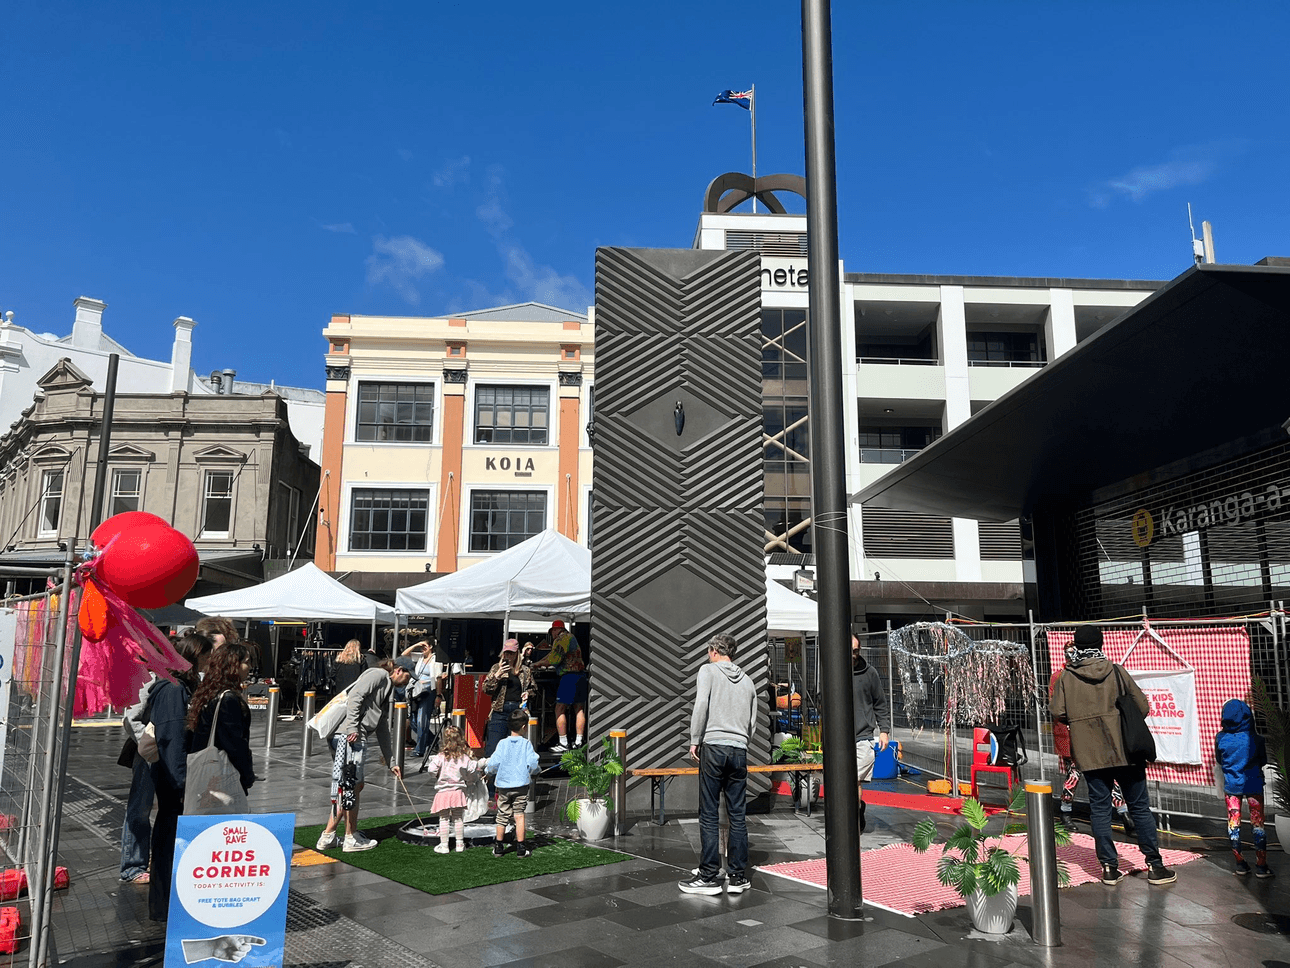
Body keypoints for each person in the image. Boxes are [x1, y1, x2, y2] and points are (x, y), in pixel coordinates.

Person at [1050, 625, 1176, 886]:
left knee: (1100, 808)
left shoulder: (1065, 678)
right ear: (1101, 643)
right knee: (1139, 806)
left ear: (1076, 645)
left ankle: (1108, 867)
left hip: (1090, 753)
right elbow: (1142, 706)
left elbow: (1058, 711)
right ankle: (1155, 865)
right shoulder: (1117, 671)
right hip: (1125, 750)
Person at [679, 633, 758, 896]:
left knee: (710, 812)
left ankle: (709, 876)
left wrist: (694, 739)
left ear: (714, 650)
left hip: (713, 746)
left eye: (707, 650)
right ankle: (737, 876)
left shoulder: (708, 671)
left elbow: (701, 705)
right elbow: (752, 722)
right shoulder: (747, 681)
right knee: (737, 814)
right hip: (739, 749)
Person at [149, 632, 215, 920]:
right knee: (168, 838)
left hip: (174, 777)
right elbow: (173, 739)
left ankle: (167, 901)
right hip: (173, 779)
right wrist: (181, 783)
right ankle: (164, 904)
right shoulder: (174, 690)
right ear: (193, 655)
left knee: (169, 837)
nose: (210, 661)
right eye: (206, 655)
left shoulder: (180, 687)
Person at [314, 659, 410, 852]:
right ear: (399, 670)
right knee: (351, 787)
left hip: (346, 736)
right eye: (409, 676)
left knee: (350, 786)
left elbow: (382, 727)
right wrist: (352, 728)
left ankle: (329, 835)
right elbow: (356, 696)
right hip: (350, 737)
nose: (409, 681)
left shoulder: (386, 687)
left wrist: (391, 762)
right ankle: (349, 838)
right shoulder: (379, 675)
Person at [1050, 645, 1132, 833]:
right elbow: (1056, 707)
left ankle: (1123, 811)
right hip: (1069, 732)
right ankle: (1065, 811)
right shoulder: (1059, 676)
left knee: (1107, 771)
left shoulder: (1081, 674)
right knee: (1074, 773)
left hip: (1089, 730)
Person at [186, 643, 257, 799]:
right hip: (222, 775)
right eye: (246, 661)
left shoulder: (208, 691)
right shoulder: (228, 699)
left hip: (203, 770)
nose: (250, 666)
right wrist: (247, 775)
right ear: (233, 664)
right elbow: (235, 744)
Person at [1215, 698, 1273, 878]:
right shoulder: (1255, 739)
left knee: (1233, 824)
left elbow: (1219, 760)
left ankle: (1240, 863)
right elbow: (1263, 760)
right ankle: (1261, 866)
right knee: (1258, 825)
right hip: (1254, 784)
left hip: (1232, 787)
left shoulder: (1221, 738)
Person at [119, 673, 160, 884]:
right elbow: (131, 718)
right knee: (140, 808)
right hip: (148, 754)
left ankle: (148, 859)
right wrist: (150, 744)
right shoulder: (150, 677)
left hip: (162, 753)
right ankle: (133, 866)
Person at [484, 708, 540, 857]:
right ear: (524, 727)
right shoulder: (526, 744)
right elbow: (533, 764)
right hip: (521, 786)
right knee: (519, 814)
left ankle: (498, 847)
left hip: (503, 786)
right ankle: (521, 848)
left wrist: (488, 773)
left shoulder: (502, 743)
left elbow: (493, 764)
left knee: (502, 815)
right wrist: (535, 772)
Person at [851, 634, 891, 835]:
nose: (852, 655)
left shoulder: (870, 674)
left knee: (852, 781)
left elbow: (880, 703)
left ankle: (855, 815)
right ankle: (856, 811)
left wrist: (884, 731)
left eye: (856, 651)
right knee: (847, 783)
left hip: (863, 736)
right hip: (840, 739)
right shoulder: (834, 671)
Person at [531, 620, 586, 749]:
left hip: (569, 677)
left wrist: (536, 664)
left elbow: (553, 659)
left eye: (552, 631)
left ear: (556, 630)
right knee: (579, 709)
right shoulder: (571, 637)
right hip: (581, 676)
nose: (552, 634)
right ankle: (579, 741)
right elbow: (552, 655)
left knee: (559, 708)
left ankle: (563, 742)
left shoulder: (561, 639)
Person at [425, 726, 482, 853]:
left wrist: (436, 774)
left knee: (444, 819)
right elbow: (472, 769)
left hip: (443, 792)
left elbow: (431, 770)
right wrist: (469, 779)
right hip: (458, 791)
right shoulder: (464, 757)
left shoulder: (440, 757)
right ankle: (460, 844)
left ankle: (444, 845)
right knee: (458, 818)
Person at [483, 639, 535, 757]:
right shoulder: (497, 668)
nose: (508, 656)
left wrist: (528, 693)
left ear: (517, 653)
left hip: (517, 711)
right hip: (499, 711)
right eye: (506, 653)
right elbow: (486, 689)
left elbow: (533, 689)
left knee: (515, 750)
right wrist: (497, 676)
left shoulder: (525, 670)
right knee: (493, 749)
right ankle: (491, 774)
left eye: (511, 653)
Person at [406, 640, 443, 757]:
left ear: (431, 646)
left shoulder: (436, 659)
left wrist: (438, 695)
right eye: (421, 647)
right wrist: (416, 645)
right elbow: (403, 655)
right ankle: (433, 740)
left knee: (422, 720)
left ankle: (420, 749)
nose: (422, 649)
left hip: (428, 692)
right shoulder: (420, 657)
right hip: (416, 692)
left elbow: (438, 678)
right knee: (412, 720)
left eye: (425, 646)